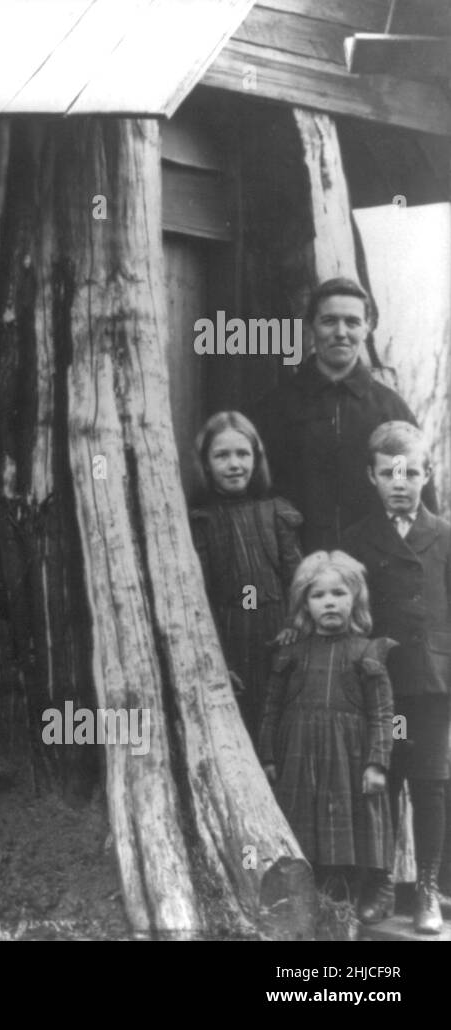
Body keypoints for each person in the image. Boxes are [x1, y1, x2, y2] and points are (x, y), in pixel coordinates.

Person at [340, 422, 451, 933]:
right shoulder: (356, 540)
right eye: (389, 473)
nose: (400, 482)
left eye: (410, 472)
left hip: (430, 686)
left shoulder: (444, 537)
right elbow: (348, 614)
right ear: (372, 476)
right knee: (381, 782)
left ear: (426, 475)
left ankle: (427, 888)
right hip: (381, 687)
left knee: (429, 785)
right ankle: (379, 881)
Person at [251, 278, 434, 554]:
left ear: (367, 327)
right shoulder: (276, 408)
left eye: (352, 322)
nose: (340, 332)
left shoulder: (391, 411)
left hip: (374, 571)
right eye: (329, 321)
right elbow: (256, 497)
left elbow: (416, 499)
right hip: (297, 569)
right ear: (311, 325)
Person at [258, 551, 395, 904]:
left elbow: (383, 713)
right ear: (305, 605)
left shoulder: (368, 651)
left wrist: (377, 762)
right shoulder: (290, 652)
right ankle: (309, 894)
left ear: (356, 598)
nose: (329, 603)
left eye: (339, 594)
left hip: (347, 758)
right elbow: (271, 709)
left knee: (347, 826)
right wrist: (268, 757)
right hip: (298, 758)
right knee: (303, 826)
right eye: (318, 596)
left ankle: (353, 893)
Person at [189, 412, 302, 737]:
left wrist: (295, 629)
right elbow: (199, 597)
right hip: (229, 642)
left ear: (256, 458)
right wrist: (216, 662)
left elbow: (300, 582)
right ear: (206, 464)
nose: (234, 464)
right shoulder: (201, 521)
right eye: (221, 456)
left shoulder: (276, 512)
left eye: (243, 454)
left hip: (279, 639)